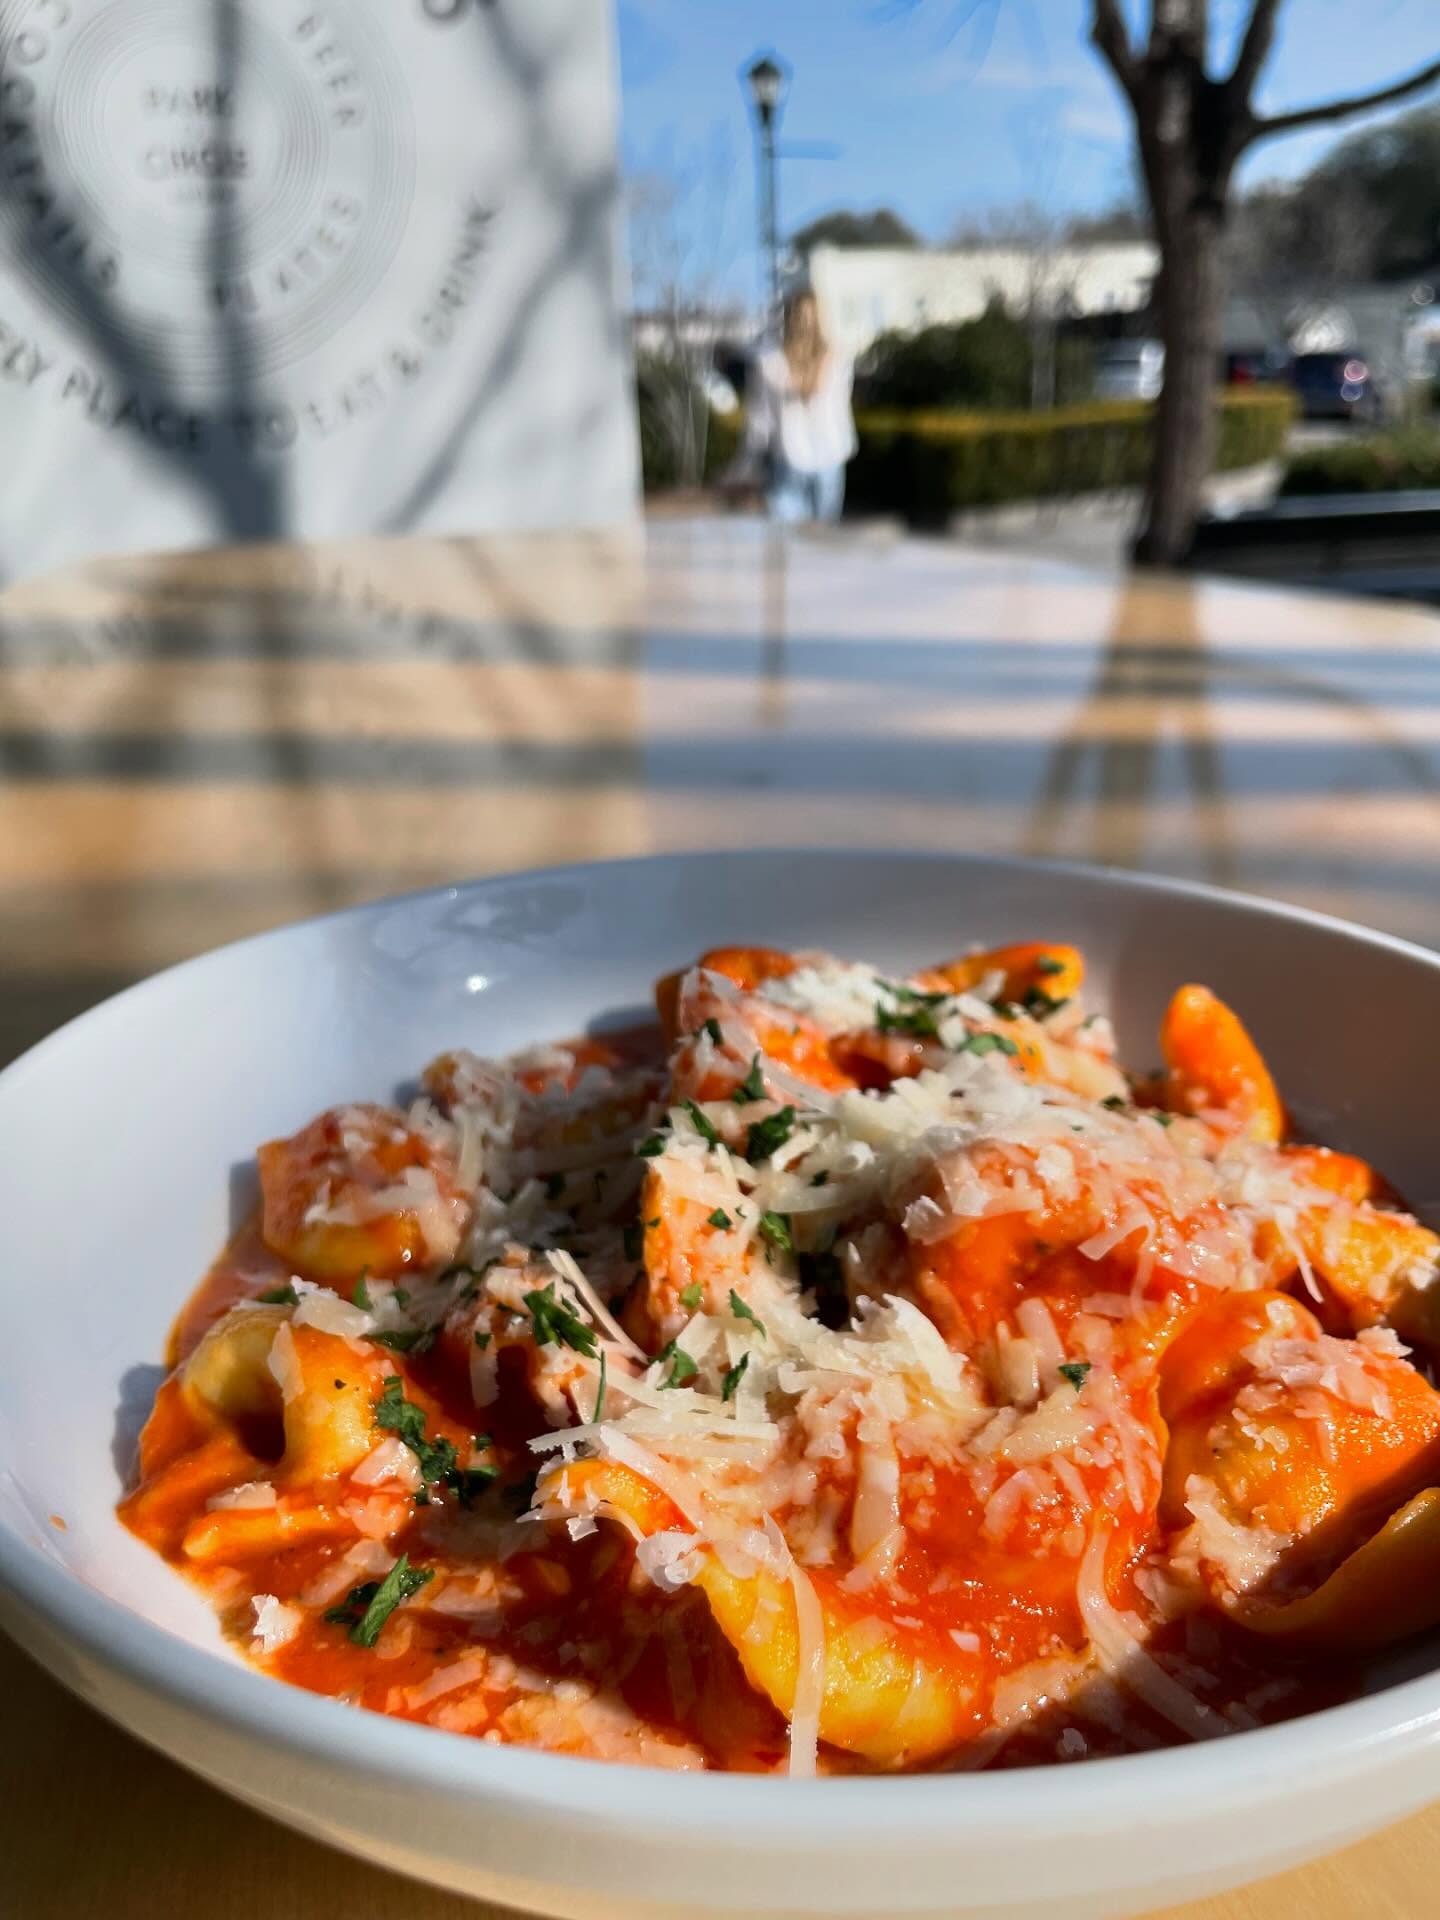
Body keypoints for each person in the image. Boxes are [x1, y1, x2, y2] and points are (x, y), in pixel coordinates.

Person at [744, 290, 856, 524]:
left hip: (798, 455)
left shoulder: (770, 362)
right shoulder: (837, 359)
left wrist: (750, 460)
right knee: (821, 539)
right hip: (820, 455)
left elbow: (760, 421)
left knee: (793, 539)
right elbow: (841, 408)